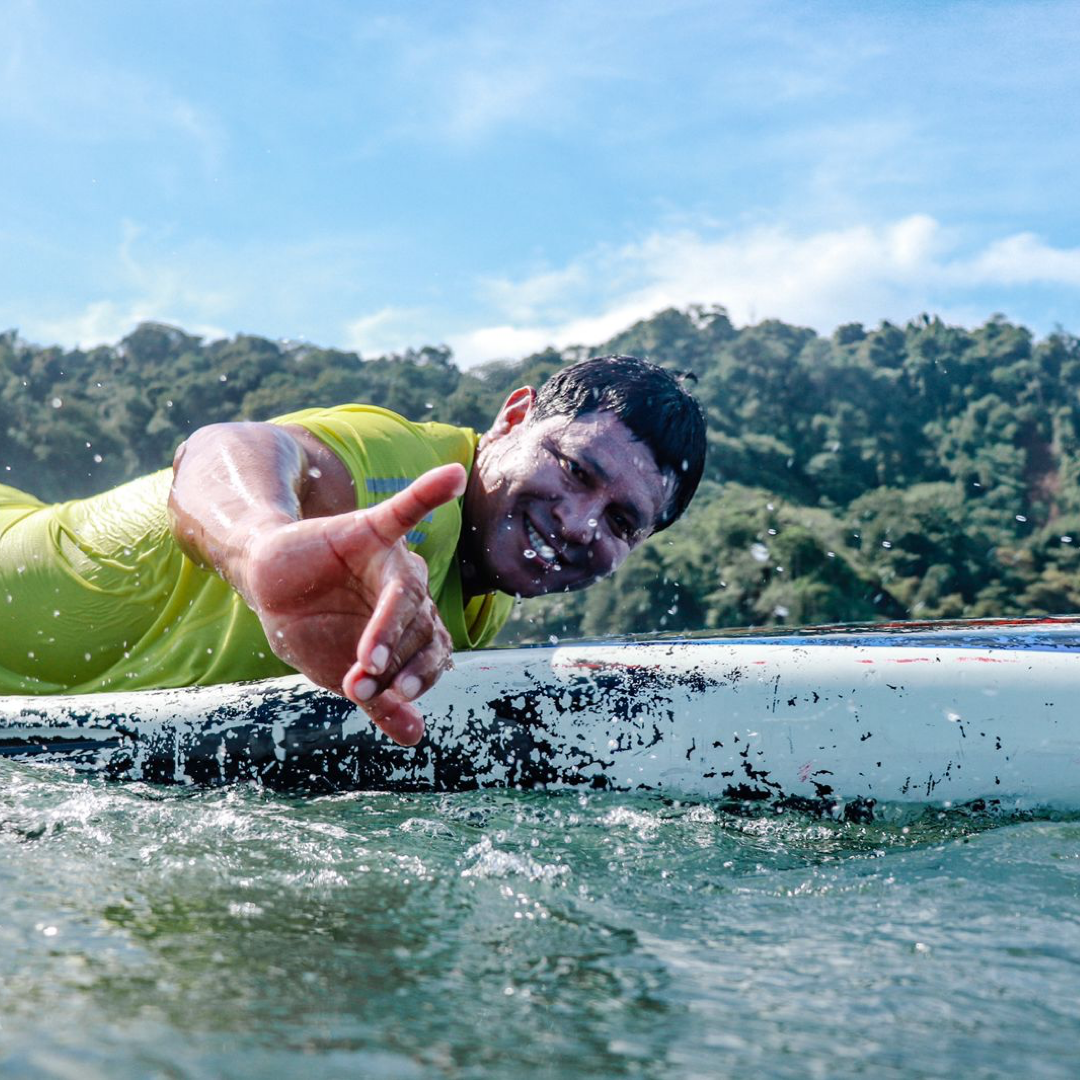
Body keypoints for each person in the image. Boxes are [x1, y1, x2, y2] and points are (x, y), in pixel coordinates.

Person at [0, 355, 706, 745]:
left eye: (621, 523)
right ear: (513, 419)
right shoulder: (408, 470)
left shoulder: (484, 584)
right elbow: (228, 445)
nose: (582, 525)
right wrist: (259, 545)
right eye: (575, 470)